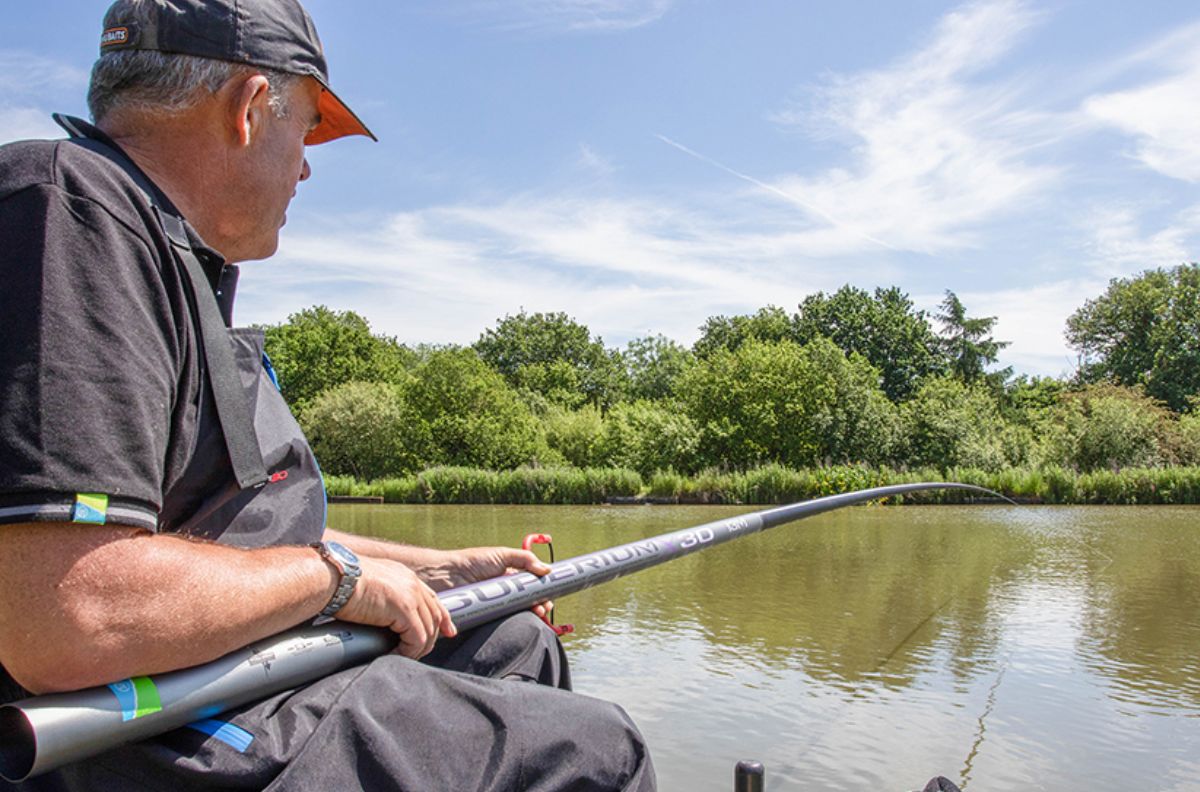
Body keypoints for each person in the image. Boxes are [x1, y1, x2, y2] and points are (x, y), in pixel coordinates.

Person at [0, 1, 655, 789]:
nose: (308, 167)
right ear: (248, 108)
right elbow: (65, 617)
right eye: (307, 129)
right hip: (159, 724)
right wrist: (338, 581)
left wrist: (440, 570)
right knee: (597, 752)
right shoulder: (70, 208)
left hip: (242, 661)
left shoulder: (176, 259)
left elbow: (237, 536)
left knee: (513, 637)